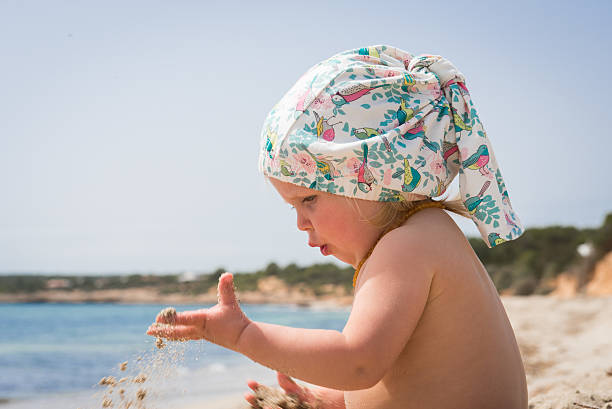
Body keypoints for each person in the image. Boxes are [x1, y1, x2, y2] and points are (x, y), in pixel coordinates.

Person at [147, 45, 528, 409]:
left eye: (308, 200)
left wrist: (241, 335)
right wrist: (331, 401)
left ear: (374, 180)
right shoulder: (426, 234)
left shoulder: (408, 246)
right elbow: (418, 376)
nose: (300, 223)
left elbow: (357, 362)